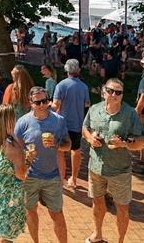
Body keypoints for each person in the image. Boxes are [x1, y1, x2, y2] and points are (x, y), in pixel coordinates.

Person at [81, 77, 144, 243]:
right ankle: (97, 234)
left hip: (119, 171)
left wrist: (123, 144)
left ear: (122, 95)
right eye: (111, 91)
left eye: (118, 92)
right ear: (104, 92)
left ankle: (120, 240)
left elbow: (141, 141)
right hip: (96, 167)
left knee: (122, 209)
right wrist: (90, 139)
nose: (114, 95)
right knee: (97, 202)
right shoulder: (95, 109)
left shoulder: (130, 114)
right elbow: (84, 128)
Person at [15, 86, 71, 243]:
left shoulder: (58, 121)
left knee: (57, 213)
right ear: (30, 103)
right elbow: (15, 148)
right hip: (29, 177)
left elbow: (68, 144)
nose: (42, 105)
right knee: (31, 211)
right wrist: (25, 158)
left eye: (45, 101)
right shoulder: (23, 122)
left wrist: (57, 145)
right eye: (37, 102)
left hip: (52, 176)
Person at [0, 104, 35, 243]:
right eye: (14, 117)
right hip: (10, 197)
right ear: (10, 120)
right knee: (6, 237)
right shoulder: (12, 147)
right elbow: (21, 175)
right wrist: (29, 160)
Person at [51, 59, 90, 190]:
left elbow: (55, 105)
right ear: (78, 70)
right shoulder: (84, 87)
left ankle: (61, 179)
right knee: (76, 151)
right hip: (77, 124)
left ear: (66, 70)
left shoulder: (60, 85)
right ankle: (73, 179)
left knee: (60, 151)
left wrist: (48, 106)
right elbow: (86, 105)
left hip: (62, 124)